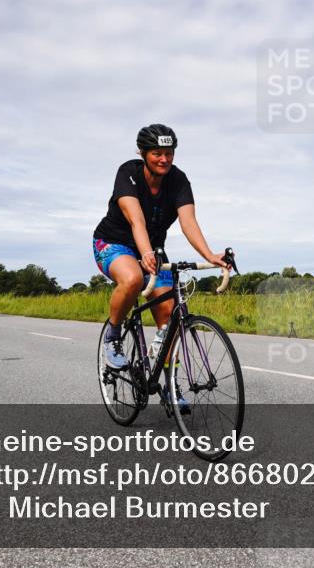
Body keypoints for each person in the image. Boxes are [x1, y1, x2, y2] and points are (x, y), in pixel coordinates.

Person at [92, 124, 228, 411]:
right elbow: (136, 220)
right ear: (143, 154)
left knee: (170, 317)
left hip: (151, 250)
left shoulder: (178, 181)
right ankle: (113, 336)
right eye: (157, 154)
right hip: (114, 243)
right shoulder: (128, 173)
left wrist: (210, 255)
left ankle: (168, 382)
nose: (164, 159)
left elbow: (188, 222)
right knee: (130, 279)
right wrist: (143, 253)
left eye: (169, 153)